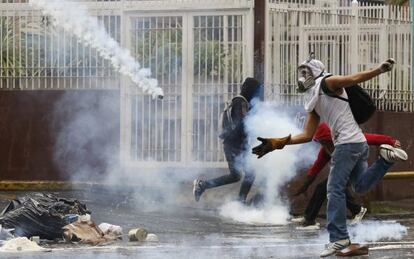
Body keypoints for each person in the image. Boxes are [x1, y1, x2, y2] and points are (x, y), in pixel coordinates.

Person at [252, 57, 408, 257]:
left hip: (346, 144)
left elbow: (354, 78)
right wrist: (277, 143)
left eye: (307, 72)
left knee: (334, 189)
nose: (303, 77)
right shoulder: (314, 98)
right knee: (359, 187)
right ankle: (386, 160)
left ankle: (339, 238)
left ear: (317, 72)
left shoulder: (327, 82)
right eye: (302, 72)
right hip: (357, 143)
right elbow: (307, 135)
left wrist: (379, 70)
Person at [292, 123, 401, 229]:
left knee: (330, 187)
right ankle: (310, 217)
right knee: (330, 187)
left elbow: (370, 138)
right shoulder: (326, 149)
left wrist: (391, 141)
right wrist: (306, 185)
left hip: (356, 167)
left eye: (326, 141)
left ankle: (311, 220)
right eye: (322, 142)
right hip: (343, 170)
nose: (325, 144)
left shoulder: (348, 140)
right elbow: (317, 166)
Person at [193, 77, 263, 203]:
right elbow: (241, 124)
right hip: (234, 145)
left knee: (236, 176)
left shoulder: (240, 102)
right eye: (256, 90)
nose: (258, 94)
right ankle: (240, 202)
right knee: (249, 174)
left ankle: (203, 185)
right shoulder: (240, 102)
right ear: (251, 90)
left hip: (234, 144)